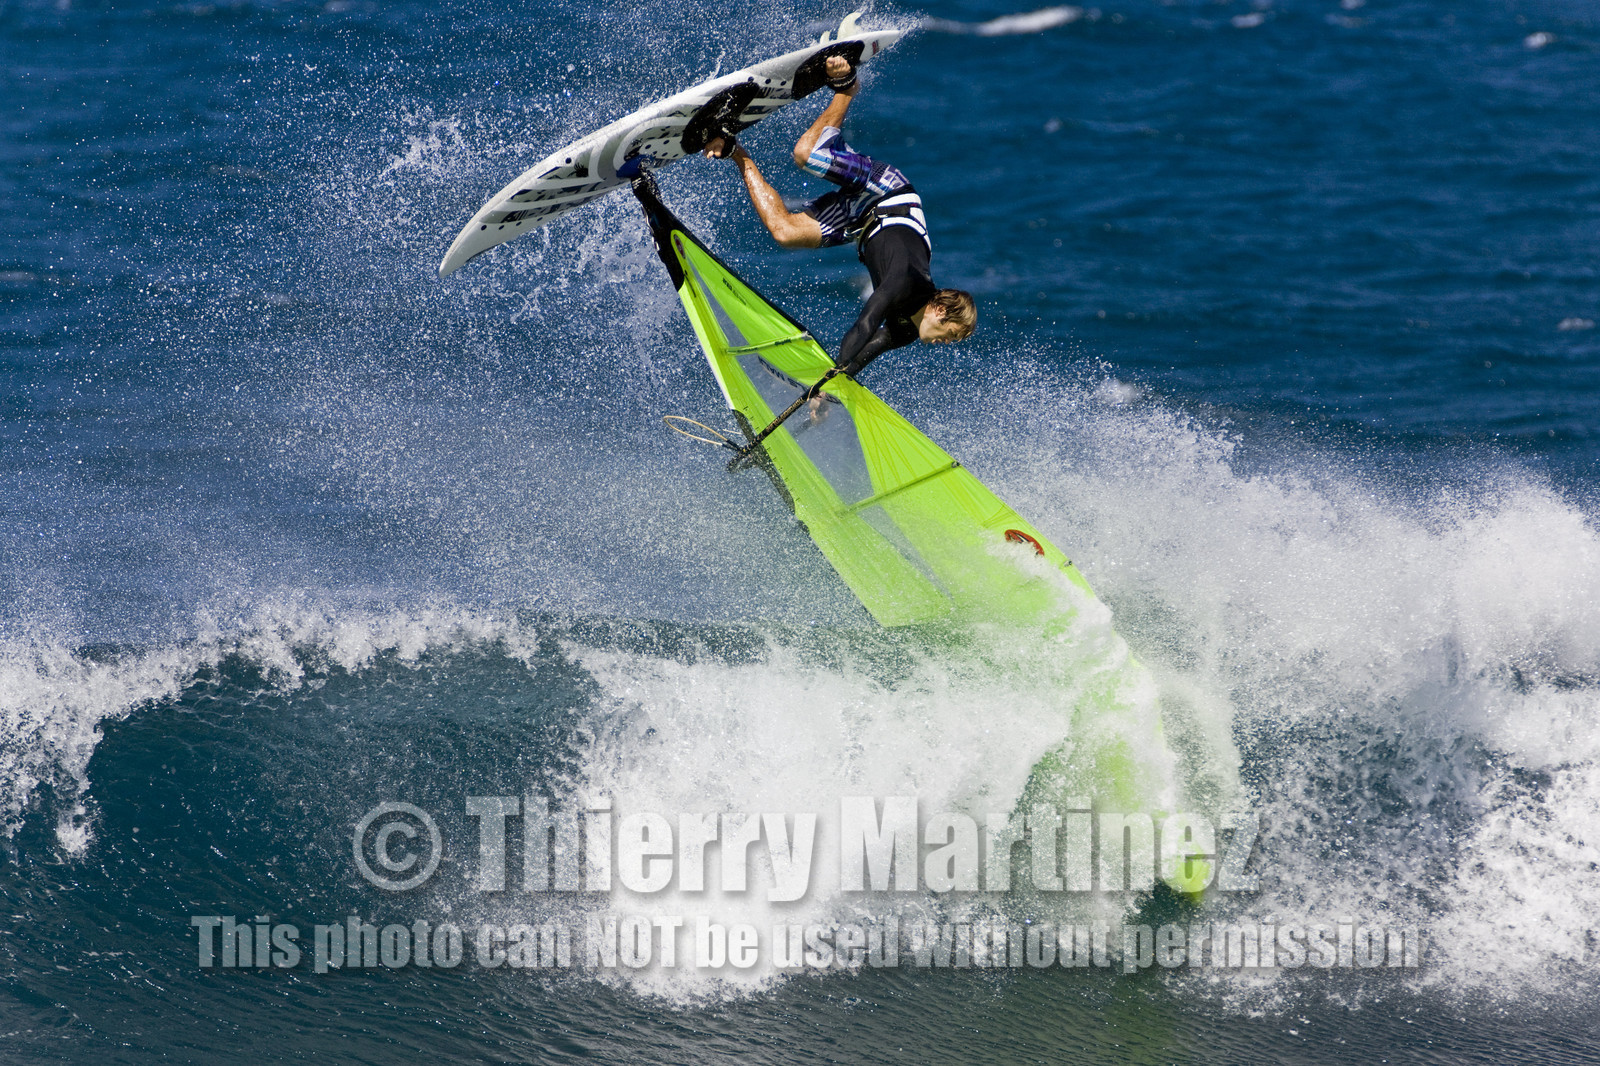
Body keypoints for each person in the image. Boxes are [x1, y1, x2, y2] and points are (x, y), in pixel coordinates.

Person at [703, 55, 975, 401]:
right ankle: (846, 88)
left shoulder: (907, 330)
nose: (943, 343)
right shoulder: (907, 279)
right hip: (890, 194)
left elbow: (857, 358)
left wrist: (822, 392)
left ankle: (734, 150)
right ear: (939, 310)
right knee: (807, 153)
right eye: (948, 334)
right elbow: (865, 323)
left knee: (785, 232)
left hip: (862, 224)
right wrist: (827, 380)